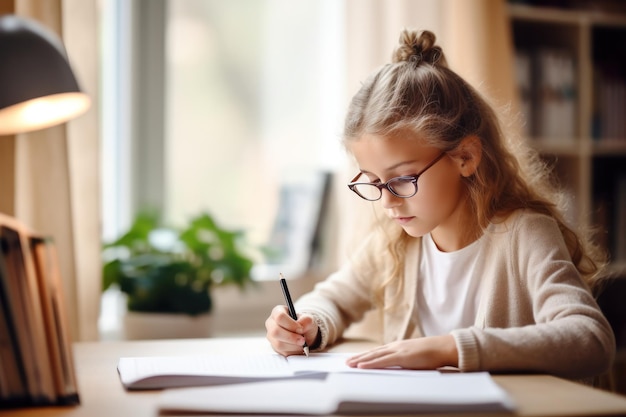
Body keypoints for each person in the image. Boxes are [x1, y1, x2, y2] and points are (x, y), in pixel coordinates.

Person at [265, 28, 615, 383]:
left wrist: (452, 347)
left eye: (402, 179)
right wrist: (306, 324)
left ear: (465, 156)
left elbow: (590, 338)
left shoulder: (525, 234)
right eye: (372, 181)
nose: (387, 200)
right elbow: (333, 299)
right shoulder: (395, 240)